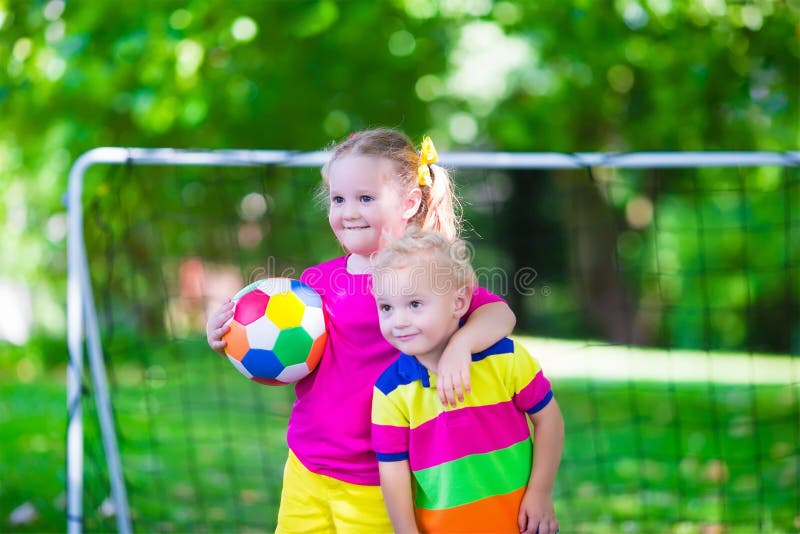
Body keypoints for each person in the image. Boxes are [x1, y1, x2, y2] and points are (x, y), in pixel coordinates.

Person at [205, 128, 517, 532]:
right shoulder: (315, 282)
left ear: (410, 202)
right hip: (306, 464)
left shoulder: (424, 278)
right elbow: (294, 361)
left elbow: (499, 314)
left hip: (380, 475)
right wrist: (230, 339)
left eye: (365, 198)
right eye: (338, 199)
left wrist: (461, 345)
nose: (348, 212)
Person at [370, 230, 564, 534]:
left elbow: (549, 420)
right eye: (386, 308)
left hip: (520, 523)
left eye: (415, 304)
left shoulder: (506, 359)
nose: (398, 321)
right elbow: (393, 469)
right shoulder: (390, 391)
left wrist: (540, 493)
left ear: (458, 302)